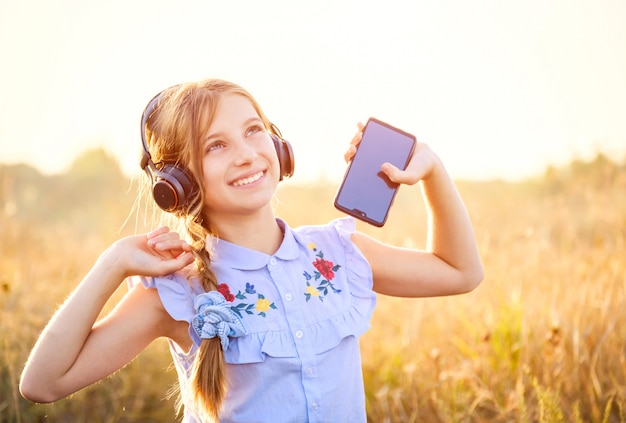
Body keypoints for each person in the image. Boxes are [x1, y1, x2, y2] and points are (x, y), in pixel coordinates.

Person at [19, 78, 484, 422]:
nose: (246, 154)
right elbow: (42, 382)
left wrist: (433, 171)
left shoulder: (337, 254)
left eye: (254, 131)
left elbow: (460, 271)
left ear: (279, 146)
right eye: (216, 145)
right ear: (176, 183)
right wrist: (114, 263)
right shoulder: (179, 291)